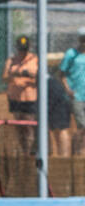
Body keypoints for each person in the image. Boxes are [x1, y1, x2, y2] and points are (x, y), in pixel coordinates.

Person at [3, 35, 37, 154]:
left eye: (25, 49)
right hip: (15, 98)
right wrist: (17, 73)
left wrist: (27, 75)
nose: (22, 52)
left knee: (28, 125)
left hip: (29, 98)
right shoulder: (11, 61)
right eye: (20, 49)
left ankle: (30, 151)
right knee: (19, 125)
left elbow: (38, 77)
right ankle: (23, 151)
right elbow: (5, 77)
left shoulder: (34, 59)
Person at [58, 27, 85, 155]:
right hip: (77, 96)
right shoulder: (71, 54)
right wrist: (68, 89)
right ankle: (76, 153)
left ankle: (79, 152)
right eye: (83, 38)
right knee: (82, 125)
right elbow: (61, 73)